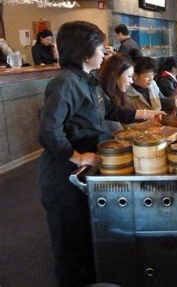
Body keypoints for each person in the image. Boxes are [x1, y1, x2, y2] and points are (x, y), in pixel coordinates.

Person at [38, 21, 161, 287]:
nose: (104, 52)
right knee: (70, 247)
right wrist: (78, 156)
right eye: (99, 46)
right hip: (63, 176)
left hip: (83, 173)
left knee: (86, 239)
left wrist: (149, 114)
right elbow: (48, 132)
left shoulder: (88, 81)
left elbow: (112, 111)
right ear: (84, 51)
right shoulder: (66, 83)